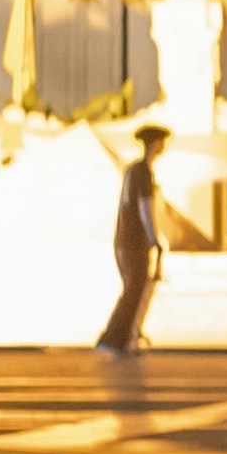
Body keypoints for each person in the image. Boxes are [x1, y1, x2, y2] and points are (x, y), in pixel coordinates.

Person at [96, 124, 169, 357]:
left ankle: (125, 338)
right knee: (134, 291)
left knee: (132, 289)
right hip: (135, 241)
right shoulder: (144, 172)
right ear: (154, 144)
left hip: (122, 239)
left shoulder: (131, 170)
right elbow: (144, 208)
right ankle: (112, 339)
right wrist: (153, 239)